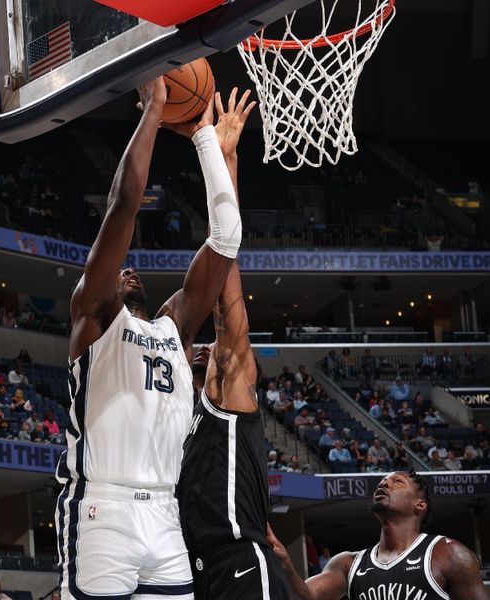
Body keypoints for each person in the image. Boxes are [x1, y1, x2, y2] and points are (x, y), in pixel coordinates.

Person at [55, 78, 244, 600]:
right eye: (120, 269)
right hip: (101, 508)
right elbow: (123, 205)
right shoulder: (93, 316)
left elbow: (226, 236)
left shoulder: (174, 327)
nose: (129, 268)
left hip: (164, 510)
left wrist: (204, 137)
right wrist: (155, 110)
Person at [176, 88, 289, 600]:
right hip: (200, 574)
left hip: (241, 561)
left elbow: (226, 270)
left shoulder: (229, 381)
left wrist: (225, 162)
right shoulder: (184, 418)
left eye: (206, 343)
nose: (202, 348)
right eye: (190, 347)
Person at [267, 471, 489, 600]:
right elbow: (304, 597)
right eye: (383, 481)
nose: (384, 482)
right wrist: (286, 565)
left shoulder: (450, 554)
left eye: (397, 481)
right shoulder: (347, 563)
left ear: (419, 504)